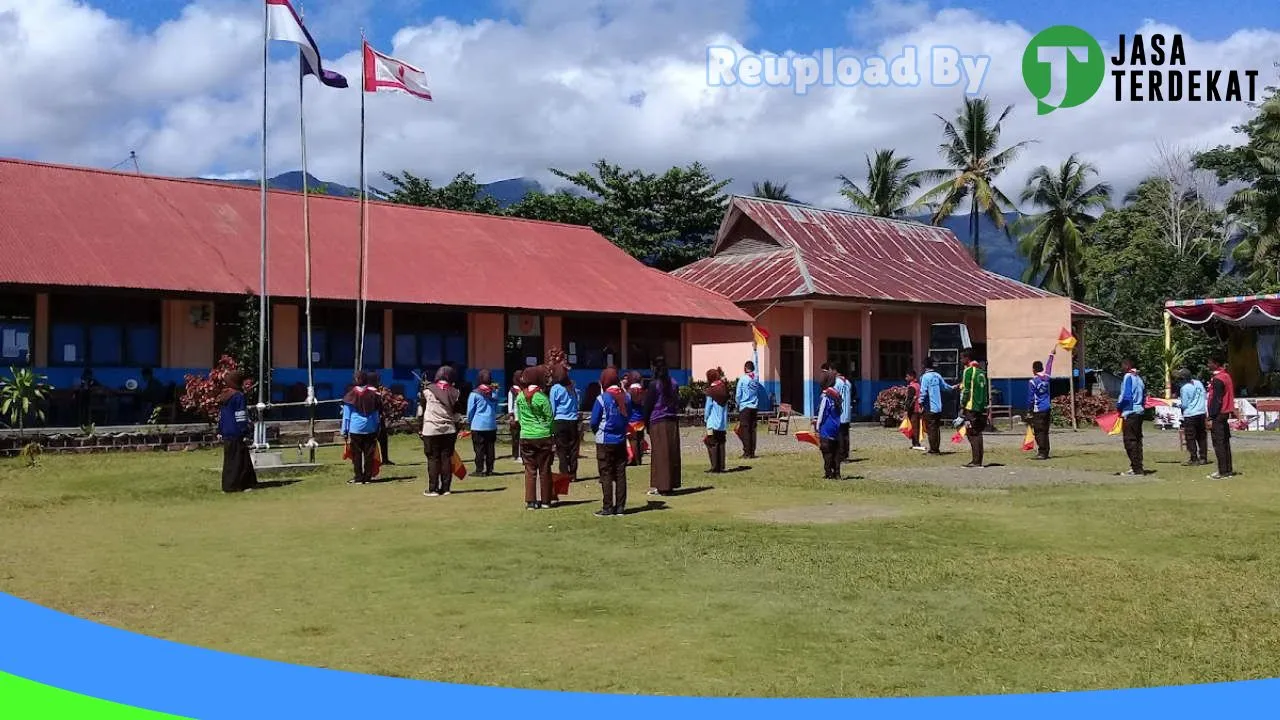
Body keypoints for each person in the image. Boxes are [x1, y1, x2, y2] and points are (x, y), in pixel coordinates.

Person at [590, 367, 631, 517]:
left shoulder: (602, 399)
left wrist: (597, 432)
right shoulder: (626, 397)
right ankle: (621, 507)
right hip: (620, 439)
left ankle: (608, 507)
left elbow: (594, 421)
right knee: (620, 473)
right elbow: (628, 416)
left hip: (605, 440)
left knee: (606, 473)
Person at [516, 364, 556, 509]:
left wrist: (526, 428)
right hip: (543, 436)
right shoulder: (542, 398)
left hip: (526, 436)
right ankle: (546, 501)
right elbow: (550, 418)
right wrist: (549, 432)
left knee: (529, 470)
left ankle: (530, 502)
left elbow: (519, 417)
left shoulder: (520, 397)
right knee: (545, 469)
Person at [418, 367, 461, 497]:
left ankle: (433, 489)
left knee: (433, 459)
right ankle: (446, 488)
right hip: (449, 430)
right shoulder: (456, 392)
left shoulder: (427, 391)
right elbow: (457, 415)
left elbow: (420, 412)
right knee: (446, 458)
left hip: (430, 430)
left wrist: (420, 428)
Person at [644, 356, 682, 496]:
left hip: (658, 421)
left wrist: (646, 421)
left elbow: (648, 405)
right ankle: (670, 483)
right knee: (671, 454)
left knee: (660, 455)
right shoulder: (674, 383)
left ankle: (662, 486)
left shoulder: (655, 385)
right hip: (672, 421)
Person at [217, 370, 258, 493]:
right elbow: (240, 415)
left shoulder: (224, 395)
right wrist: (244, 430)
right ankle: (235, 485)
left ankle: (241, 483)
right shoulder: (238, 396)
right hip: (236, 431)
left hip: (227, 432)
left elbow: (221, 416)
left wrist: (219, 430)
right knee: (238, 460)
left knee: (231, 459)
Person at [341, 371, 384, 486]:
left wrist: (344, 430)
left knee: (357, 454)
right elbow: (376, 414)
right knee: (369, 453)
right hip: (370, 428)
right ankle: (368, 476)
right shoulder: (373, 394)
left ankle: (359, 477)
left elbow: (346, 415)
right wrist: (377, 427)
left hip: (355, 429)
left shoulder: (351, 394)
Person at [955, 351, 990, 468]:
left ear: (967, 358)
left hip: (971, 407)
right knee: (978, 433)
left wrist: (962, 405)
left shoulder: (968, 371)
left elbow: (966, 390)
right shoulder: (982, 372)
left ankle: (975, 461)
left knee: (971, 433)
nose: (960, 361)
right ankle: (979, 459)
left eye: (961, 358)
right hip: (981, 407)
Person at [1116, 358, 1147, 477]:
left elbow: (1126, 395)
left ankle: (1136, 468)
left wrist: (1119, 407)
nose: (1122, 367)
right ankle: (1138, 466)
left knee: (1130, 440)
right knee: (1138, 440)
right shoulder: (1139, 378)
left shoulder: (1128, 377)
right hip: (1139, 412)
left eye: (1123, 365)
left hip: (1130, 412)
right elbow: (1144, 395)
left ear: (1127, 365)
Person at [549, 364, 581, 481]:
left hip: (559, 421)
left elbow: (552, 407)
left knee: (561, 450)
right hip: (572, 421)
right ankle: (573, 474)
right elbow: (577, 403)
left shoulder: (555, 389)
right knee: (573, 449)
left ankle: (564, 473)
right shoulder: (573, 387)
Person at [1206, 357, 1236, 480]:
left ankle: (1222, 471)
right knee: (1224, 441)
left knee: (1219, 442)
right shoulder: (1226, 376)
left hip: (1219, 413)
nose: (1208, 365)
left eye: (1210, 363)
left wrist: (1211, 417)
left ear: (1216, 364)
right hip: (1225, 412)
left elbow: (1216, 400)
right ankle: (1228, 469)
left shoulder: (1218, 379)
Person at [467, 370, 500, 477]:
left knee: (479, 449)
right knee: (490, 448)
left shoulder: (474, 394)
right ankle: (490, 469)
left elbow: (470, 411)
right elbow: (495, 407)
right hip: (491, 424)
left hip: (478, 425)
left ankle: (479, 470)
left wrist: (470, 421)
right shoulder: (494, 393)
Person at [1027, 349, 1056, 460]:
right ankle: (1046, 451)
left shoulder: (1033, 382)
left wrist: (1029, 411)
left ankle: (1042, 452)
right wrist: (1051, 355)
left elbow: (1030, 398)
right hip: (1047, 408)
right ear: (1042, 369)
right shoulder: (1046, 378)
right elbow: (1049, 366)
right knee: (1045, 431)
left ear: (1034, 370)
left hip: (1038, 409)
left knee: (1039, 431)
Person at [1176, 368, 1208, 467]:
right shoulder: (1198, 383)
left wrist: (1177, 405)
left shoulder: (1184, 388)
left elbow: (1185, 404)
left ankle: (1194, 458)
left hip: (1190, 414)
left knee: (1190, 437)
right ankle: (1203, 457)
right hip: (1201, 412)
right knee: (1201, 436)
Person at [816, 371, 843, 479]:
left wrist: (817, 425)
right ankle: (837, 473)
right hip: (836, 426)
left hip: (826, 427)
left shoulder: (825, 396)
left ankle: (828, 473)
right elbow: (840, 410)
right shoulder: (837, 395)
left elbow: (822, 412)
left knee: (826, 451)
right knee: (836, 451)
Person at [704, 368, 729, 473]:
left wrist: (705, 418)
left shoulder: (711, 391)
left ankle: (714, 467)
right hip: (722, 423)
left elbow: (708, 407)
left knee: (711, 443)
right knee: (721, 443)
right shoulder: (725, 389)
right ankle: (721, 466)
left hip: (712, 422)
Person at [735, 360, 762, 459]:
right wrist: (755, 351)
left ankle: (746, 452)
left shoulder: (743, 379)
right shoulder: (756, 378)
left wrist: (738, 404)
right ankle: (752, 451)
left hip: (745, 407)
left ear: (745, 368)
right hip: (754, 407)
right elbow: (757, 364)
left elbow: (738, 394)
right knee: (753, 430)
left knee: (745, 430)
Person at [918, 359, 945, 454]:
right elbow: (945, 387)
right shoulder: (938, 376)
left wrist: (920, 402)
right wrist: (953, 387)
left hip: (930, 407)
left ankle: (934, 449)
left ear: (924, 366)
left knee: (931, 428)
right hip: (939, 407)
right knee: (936, 428)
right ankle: (936, 447)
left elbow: (923, 392)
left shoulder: (924, 377)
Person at [369, 372, 394, 468]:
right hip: (372, 419)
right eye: (377, 380)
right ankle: (373, 460)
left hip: (380, 418)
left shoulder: (380, 389)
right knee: (372, 441)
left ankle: (385, 459)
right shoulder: (370, 391)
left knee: (383, 439)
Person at [625, 371, 646, 466]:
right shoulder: (643, 391)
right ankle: (640, 460)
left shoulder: (629, 391)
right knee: (640, 439)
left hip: (632, 419)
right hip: (641, 419)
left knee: (633, 440)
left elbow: (627, 404)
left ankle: (635, 460)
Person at [508, 370, 524, 460]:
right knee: (515, 437)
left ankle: (521, 454)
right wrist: (511, 415)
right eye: (521, 377)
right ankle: (516, 455)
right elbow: (510, 403)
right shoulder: (512, 390)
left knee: (522, 436)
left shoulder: (524, 389)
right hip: (516, 416)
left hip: (524, 417)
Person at [904, 369, 923, 450]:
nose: (906, 378)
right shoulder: (918, 385)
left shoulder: (912, 387)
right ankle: (916, 442)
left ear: (912, 377)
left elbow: (909, 400)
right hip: (918, 409)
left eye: (907, 376)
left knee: (913, 427)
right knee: (917, 427)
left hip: (913, 410)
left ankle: (916, 443)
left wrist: (906, 410)